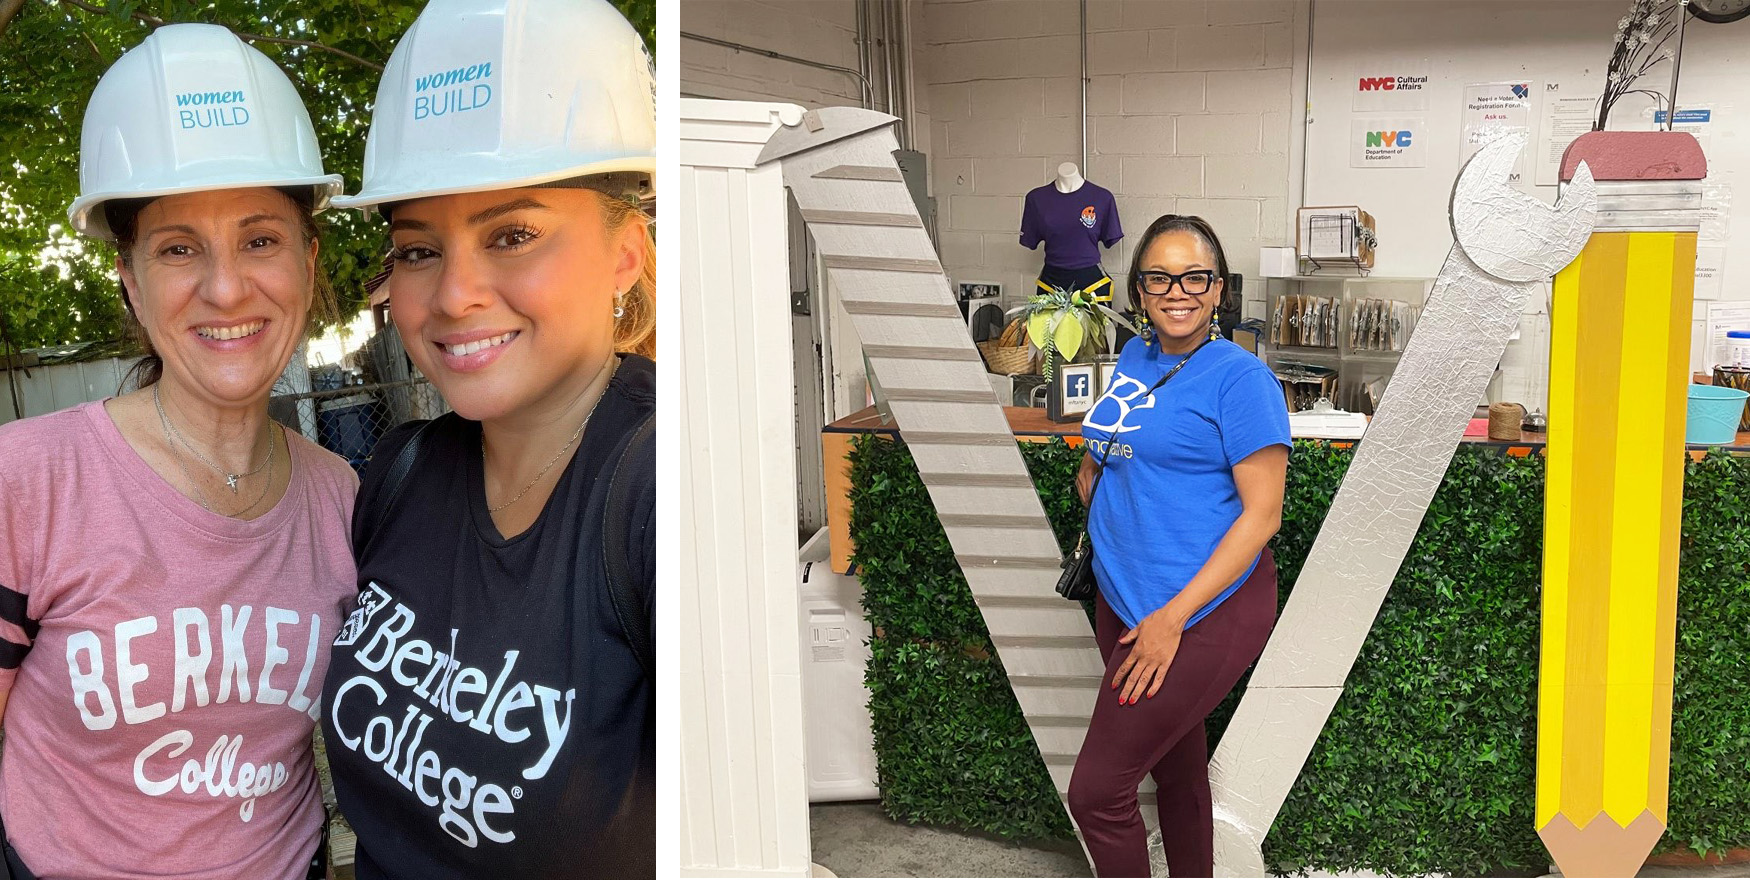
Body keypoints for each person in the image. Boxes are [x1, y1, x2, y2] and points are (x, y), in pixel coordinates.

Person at [0, 24, 354, 880]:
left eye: (261, 239)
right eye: (178, 247)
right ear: (128, 275)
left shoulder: (342, 496)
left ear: (307, 263)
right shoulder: (28, 480)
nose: (226, 287)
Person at [318, 0, 655, 877]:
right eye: (419, 249)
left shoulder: (661, 490)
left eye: (512, 234)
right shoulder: (401, 471)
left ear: (627, 252)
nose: (456, 293)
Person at [1067, 215, 1291, 877]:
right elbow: (1127, 450)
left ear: (1218, 288)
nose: (1178, 290)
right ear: (1139, 289)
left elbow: (1262, 517)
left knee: (1097, 793)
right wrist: (1097, 475)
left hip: (1198, 611)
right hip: (1125, 597)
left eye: (1195, 276)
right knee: (1179, 771)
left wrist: (1171, 619)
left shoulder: (1240, 378)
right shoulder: (1138, 356)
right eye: (1159, 276)